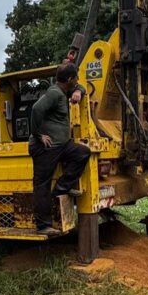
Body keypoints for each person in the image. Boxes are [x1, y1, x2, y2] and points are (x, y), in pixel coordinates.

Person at [29, 62, 91, 236]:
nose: (77, 80)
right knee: (41, 184)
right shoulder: (54, 93)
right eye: (76, 78)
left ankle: (62, 188)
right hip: (46, 148)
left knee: (82, 153)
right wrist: (38, 135)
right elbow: (36, 109)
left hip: (62, 145)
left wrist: (79, 91)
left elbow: (81, 87)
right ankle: (43, 226)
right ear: (69, 79)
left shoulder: (65, 91)